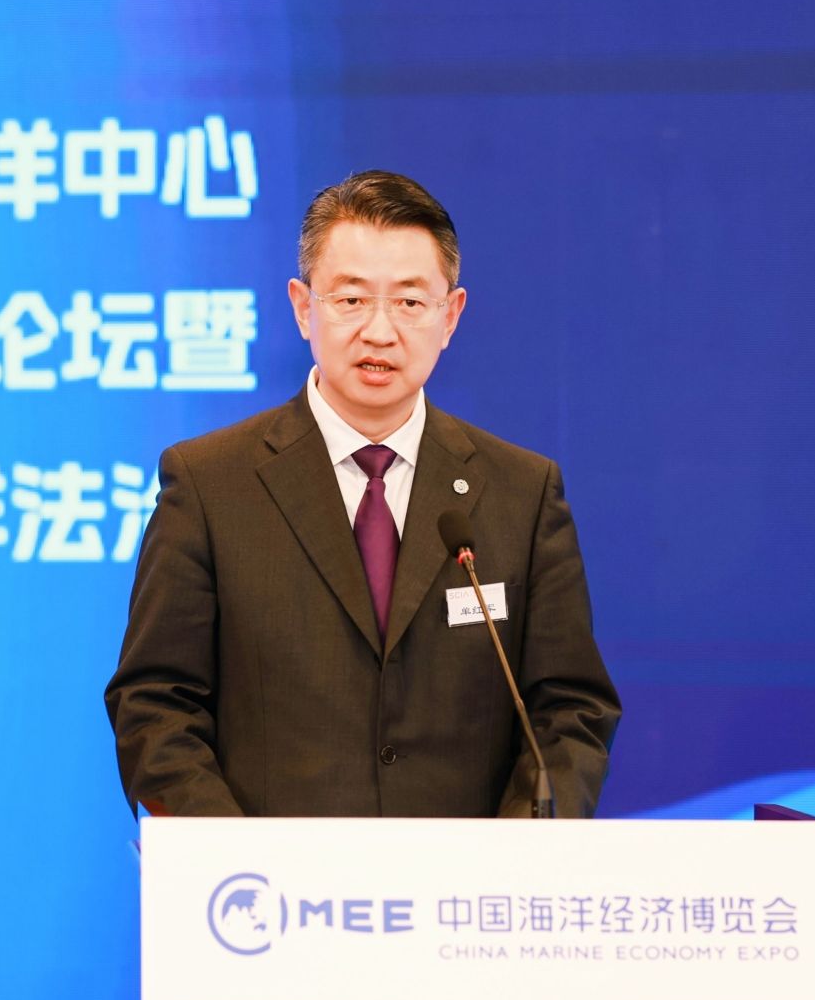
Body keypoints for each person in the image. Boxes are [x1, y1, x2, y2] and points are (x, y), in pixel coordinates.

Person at [105, 170, 620, 818]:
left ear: (451, 316)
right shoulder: (210, 485)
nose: (380, 331)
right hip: (270, 878)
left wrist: (511, 855)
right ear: (303, 307)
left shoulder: (523, 492)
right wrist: (238, 860)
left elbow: (569, 711)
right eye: (351, 299)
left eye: (410, 302)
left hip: (467, 879)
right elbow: (155, 706)